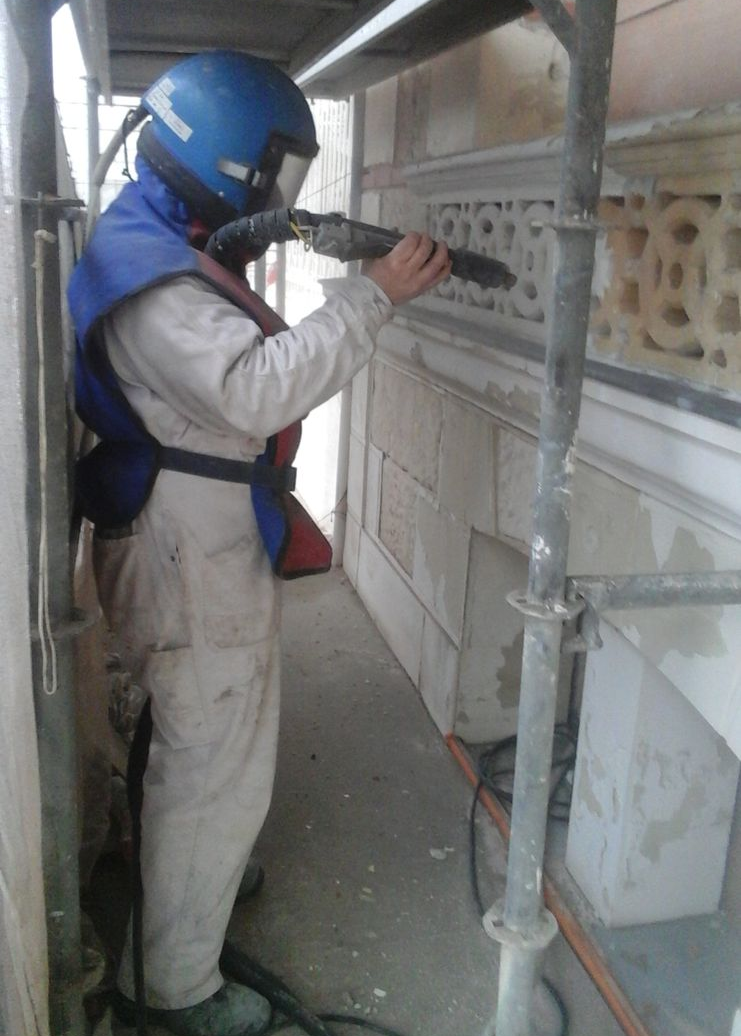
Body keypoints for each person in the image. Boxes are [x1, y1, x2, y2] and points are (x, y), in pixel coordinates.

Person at [68, 50, 450, 1036]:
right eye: (272, 173)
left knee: (186, 733)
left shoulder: (145, 235)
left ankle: (181, 880)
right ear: (229, 159)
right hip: (184, 543)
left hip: (177, 527)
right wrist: (372, 298)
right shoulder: (156, 283)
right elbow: (254, 389)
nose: (276, 194)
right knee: (214, 754)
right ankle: (176, 990)